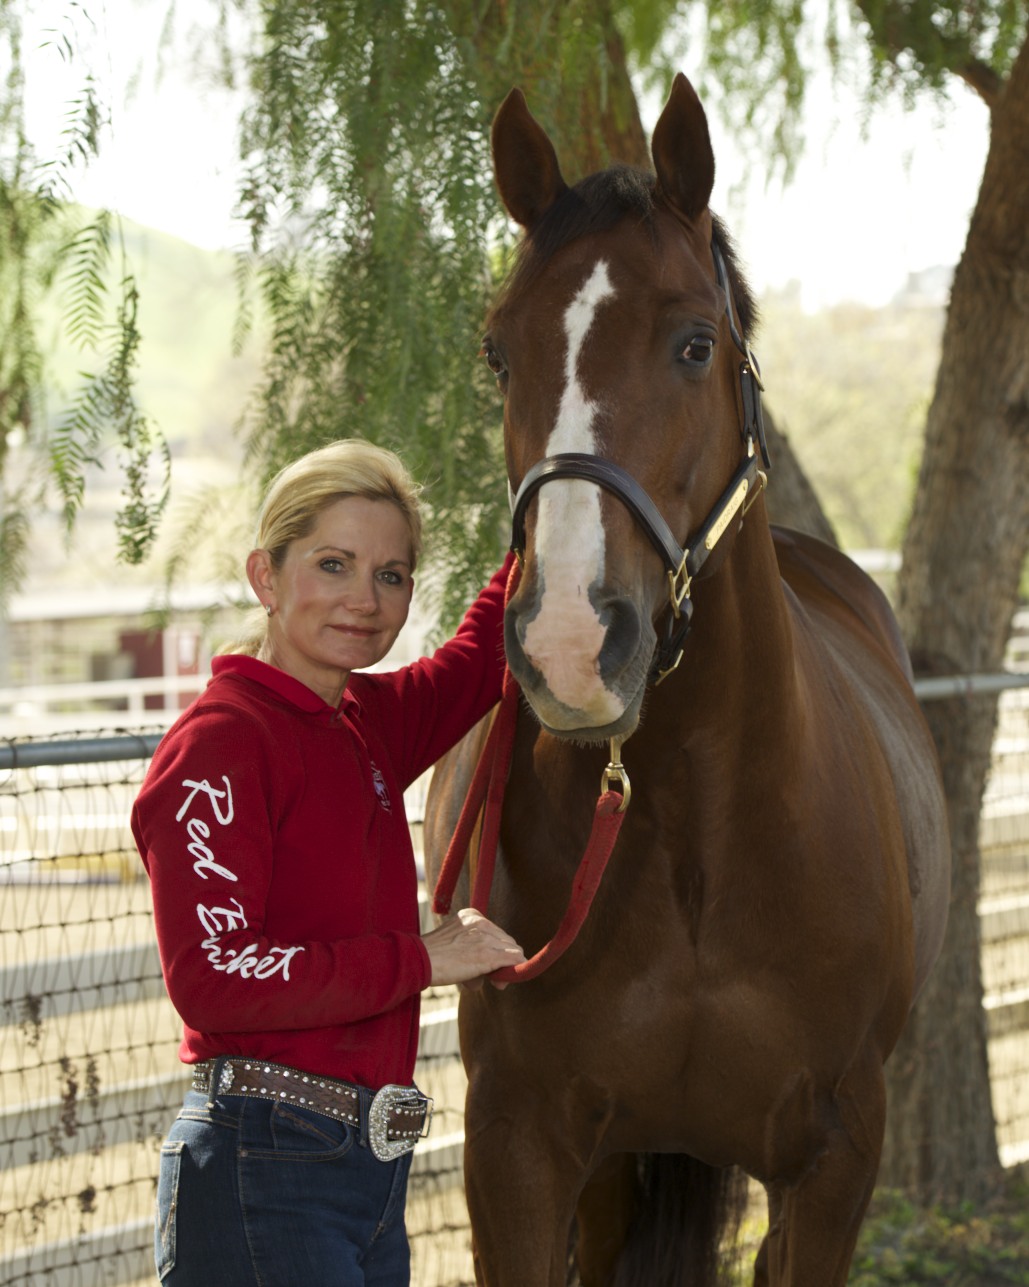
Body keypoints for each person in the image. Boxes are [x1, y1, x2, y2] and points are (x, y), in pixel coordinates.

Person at [131, 438, 525, 1286]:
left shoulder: (364, 722)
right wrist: (421, 958)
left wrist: (550, 505)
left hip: (364, 1173)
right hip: (262, 1167)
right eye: (333, 564)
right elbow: (212, 977)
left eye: (391, 574)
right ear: (265, 577)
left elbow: (478, 658)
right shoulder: (221, 745)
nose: (364, 599)